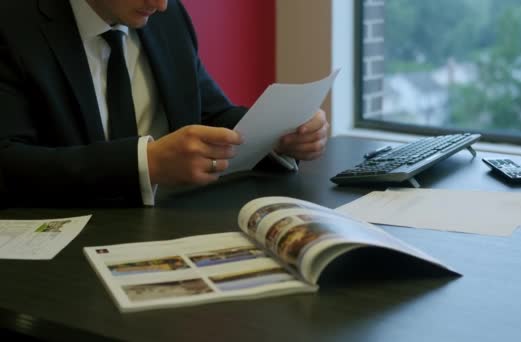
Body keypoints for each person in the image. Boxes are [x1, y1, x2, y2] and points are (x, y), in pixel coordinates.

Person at [0, 0, 329, 207]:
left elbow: (212, 114)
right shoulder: (12, 25)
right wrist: (147, 163)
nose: (161, 5)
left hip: (171, 226)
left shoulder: (168, 18)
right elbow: (9, 161)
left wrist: (281, 135)